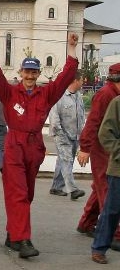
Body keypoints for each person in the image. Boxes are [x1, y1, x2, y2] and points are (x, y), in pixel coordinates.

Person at [0, 30, 79, 259]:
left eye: (33, 71)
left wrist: (72, 49)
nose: (30, 75)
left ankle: (12, 233)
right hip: (14, 145)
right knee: (18, 193)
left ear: (38, 74)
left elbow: (66, 77)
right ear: (20, 72)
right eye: (26, 71)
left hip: (34, 147)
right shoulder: (9, 93)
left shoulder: (46, 94)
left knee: (27, 195)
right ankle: (24, 240)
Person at [76, 64, 120, 244]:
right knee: (107, 190)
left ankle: (86, 223)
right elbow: (93, 122)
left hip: (106, 148)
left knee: (100, 187)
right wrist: (85, 147)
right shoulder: (106, 94)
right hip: (101, 149)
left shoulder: (112, 94)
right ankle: (114, 235)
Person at [90, 95, 120, 263]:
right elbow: (105, 133)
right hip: (118, 169)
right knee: (112, 210)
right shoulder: (117, 103)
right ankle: (99, 247)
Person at [49, 72, 86, 200]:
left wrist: (82, 135)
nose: (83, 83)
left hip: (75, 135)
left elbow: (81, 116)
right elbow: (54, 119)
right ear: (75, 80)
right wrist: (61, 136)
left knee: (63, 160)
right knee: (67, 161)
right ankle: (73, 189)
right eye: (81, 80)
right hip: (62, 135)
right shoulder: (59, 96)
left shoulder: (78, 97)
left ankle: (56, 187)